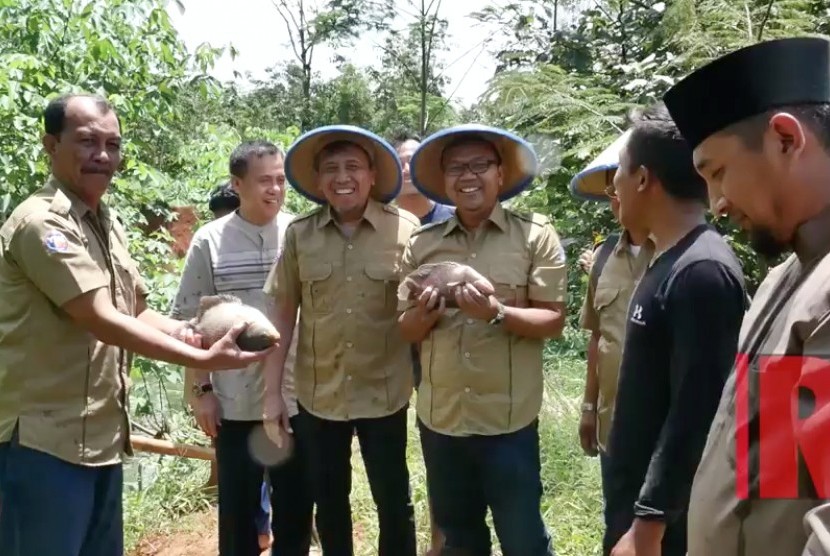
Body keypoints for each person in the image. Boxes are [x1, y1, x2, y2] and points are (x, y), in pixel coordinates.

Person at [0, 93, 271, 556]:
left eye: (112, 144)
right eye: (87, 142)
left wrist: (193, 331)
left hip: (101, 439)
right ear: (51, 144)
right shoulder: (42, 225)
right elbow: (101, 319)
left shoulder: (105, 222)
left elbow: (137, 313)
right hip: (44, 445)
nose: (102, 156)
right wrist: (203, 359)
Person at [662, 36, 830, 556]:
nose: (716, 204)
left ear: (784, 138)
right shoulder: (790, 280)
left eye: (718, 172)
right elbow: (785, 475)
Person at [399, 123, 567, 556]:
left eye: (479, 165)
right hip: (442, 419)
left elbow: (552, 320)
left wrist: (497, 313)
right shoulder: (422, 243)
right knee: (459, 539)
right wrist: (423, 314)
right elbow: (404, 329)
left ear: (500, 175)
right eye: (456, 167)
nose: (467, 175)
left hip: (507, 421)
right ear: (443, 179)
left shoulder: (534, 234)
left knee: (523, 538)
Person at [262, 125, 419, 556]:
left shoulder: (406, 229)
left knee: (394, 502)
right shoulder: (300, 234)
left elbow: (421, 313)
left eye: (353, 166)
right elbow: (283, 317)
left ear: (372, 175)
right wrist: (272, 395)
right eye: (330, 168)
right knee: (330, 501)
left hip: (385, 391)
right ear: (317, 181)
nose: (342, 176)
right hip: (320, 394)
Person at [602, 103, 747, 556]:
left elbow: (697, 411)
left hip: (667, 529)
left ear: (643, 179)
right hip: (638, 506)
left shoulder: (701, 270)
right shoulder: (667, 259)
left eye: (620, 172)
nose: (614, 187)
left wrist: (649, 523)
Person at [171, 140, 314, 556]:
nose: (275, 189)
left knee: (296, 509)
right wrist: (202, 391)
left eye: (280, 180)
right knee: (237, 515)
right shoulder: (209, 241)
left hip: (297, 398)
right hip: (234, 402)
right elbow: (190, 324)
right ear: (238, 183)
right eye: (264, 181)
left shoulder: (299, 233)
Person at [569, 135, 655, 549]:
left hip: (663, 433)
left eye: (617, 183)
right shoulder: (604, 257)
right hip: (612, 424)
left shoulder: (686, 256)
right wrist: (588, 408)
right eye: (607, 190)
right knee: (618, 524)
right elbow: (598, 338)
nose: (614, 197)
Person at [392, 131, 454, 556]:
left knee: (440, 448)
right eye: (399, 161)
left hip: (444, 356)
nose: (407, 168)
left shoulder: (450, 218)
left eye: (414, 160)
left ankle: (442, 540)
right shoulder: (382, 222)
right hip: (393, 351)